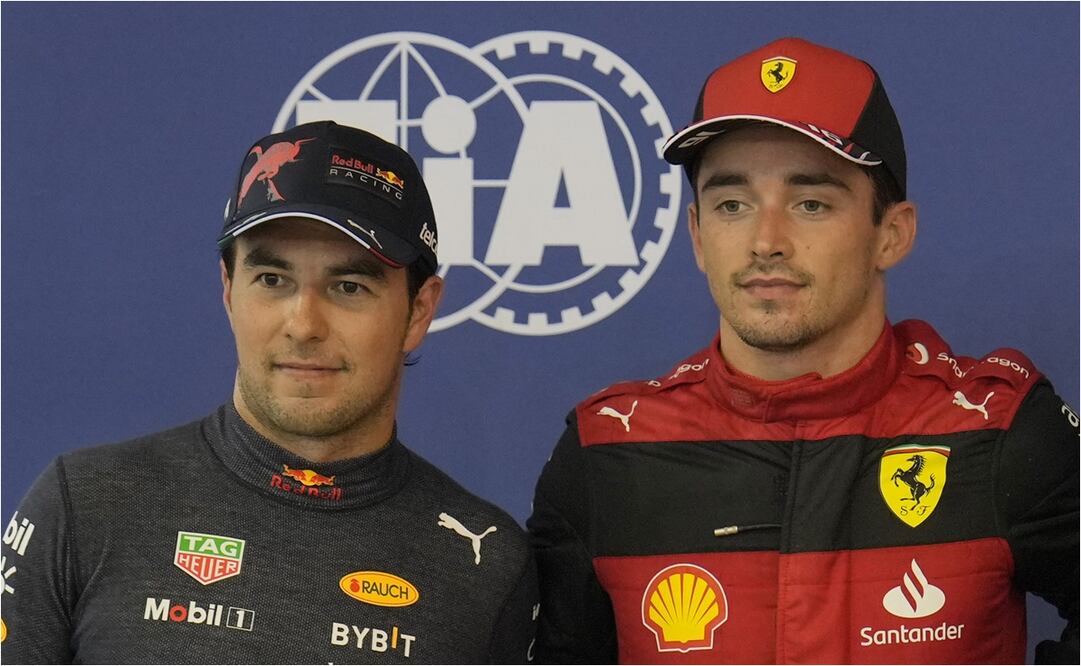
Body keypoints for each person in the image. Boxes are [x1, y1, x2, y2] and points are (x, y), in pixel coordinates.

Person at [527, 37, 1078, 664]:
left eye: (810, 203)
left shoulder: (997, 430)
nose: (766, 241)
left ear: (891, 235)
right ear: (698, 236)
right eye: (732, 204)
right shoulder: (608, 454)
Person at [2, 121, 537, 663]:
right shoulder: (83, 505)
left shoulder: (487, 565)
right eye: (273, 280)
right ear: (229, 289)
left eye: (348, 287)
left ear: (418, 310)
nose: (303, 325)